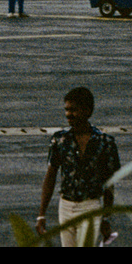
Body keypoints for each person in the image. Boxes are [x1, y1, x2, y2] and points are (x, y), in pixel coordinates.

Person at [37, 86, 120, 247]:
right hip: (65, 207)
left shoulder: (105, 143)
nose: (69, 114)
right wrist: (41, 214)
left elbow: (109, 182)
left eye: (74, 110)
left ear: (87, 111)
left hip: (90, 207)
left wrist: (106, 217)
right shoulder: (59, 140)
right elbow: (51, 175)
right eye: (67, 110)